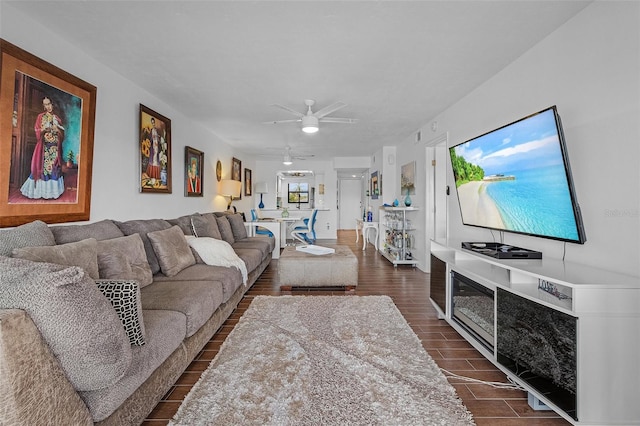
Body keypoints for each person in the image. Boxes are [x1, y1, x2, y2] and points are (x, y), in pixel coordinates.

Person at [20, 96, 65, 199]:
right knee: (43, 169)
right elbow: (37, 131)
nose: (48, 106)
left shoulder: (57, 118)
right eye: (46, 104)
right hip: (44, 147)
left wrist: (56, 129)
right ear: (44, 106)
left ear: (52, 104)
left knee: (54, 168)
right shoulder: (41, 117)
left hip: (54, 148)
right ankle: (42, 192)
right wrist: (44, 129)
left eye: (49, 104)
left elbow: (62, 134)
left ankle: (52, 193)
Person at [146, 117, 161, 184]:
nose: (153, 124)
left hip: (156, 146)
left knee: (156, 160)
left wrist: (157, 139)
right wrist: (152, 138)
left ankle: (156, 176)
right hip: (153, 146)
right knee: (153, 159)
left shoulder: (156, 130)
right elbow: (150, 138)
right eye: (152, 123)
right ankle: (151, 176)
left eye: (153, 122)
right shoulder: (151, 130)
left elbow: (159, 138)